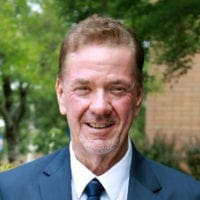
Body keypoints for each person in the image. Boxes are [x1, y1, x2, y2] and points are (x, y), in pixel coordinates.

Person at [0, 15, 199, 200]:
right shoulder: (9, 192)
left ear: (138, 96)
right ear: (61, 95)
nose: (100, 107)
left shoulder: (188, 195)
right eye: (84, 89)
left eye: (117, 89)